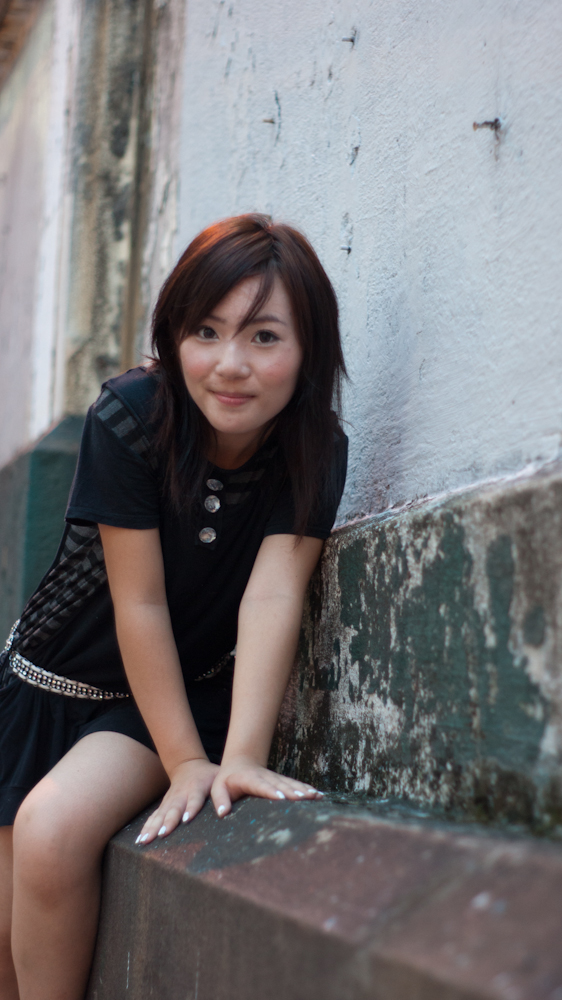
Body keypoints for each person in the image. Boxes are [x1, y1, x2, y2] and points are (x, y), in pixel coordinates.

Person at [0, 213, 348, 1000]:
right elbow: (141, 602)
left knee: (51, 832)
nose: (230, 365)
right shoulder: (133, 415)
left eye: (264, 337)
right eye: (206, 331)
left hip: (159, 704)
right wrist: (188, 761)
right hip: (45, 685)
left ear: (310, 349)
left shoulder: (316, 448)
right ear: (174, 335)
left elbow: (273, 593)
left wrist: (231, 758)